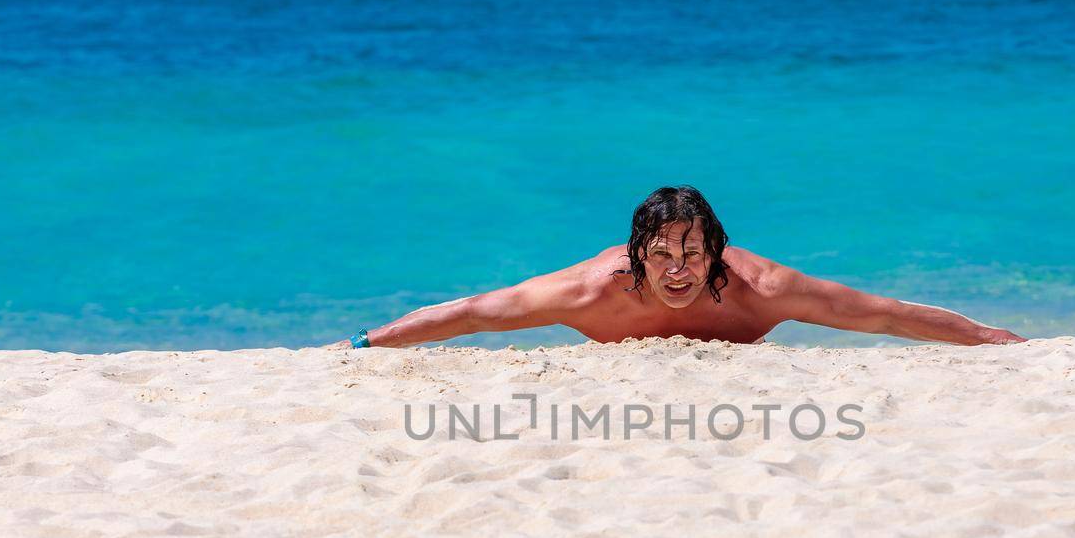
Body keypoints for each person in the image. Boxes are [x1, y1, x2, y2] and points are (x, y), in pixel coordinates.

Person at [329, 186, 1026, 349]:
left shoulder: (762, 287)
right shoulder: (589, 289)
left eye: (692, 253)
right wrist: (367, 343)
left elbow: (881, 313)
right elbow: (475, 312)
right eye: (661, 254)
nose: (677, 269)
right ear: (637, 256)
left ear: (715, 251)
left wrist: (996, 342)